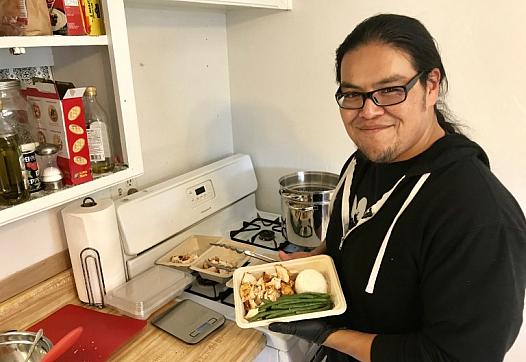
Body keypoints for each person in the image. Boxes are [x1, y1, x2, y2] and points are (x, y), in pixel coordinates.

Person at [268, 13, 526, 362]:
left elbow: (455, 356)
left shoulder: (478, 214)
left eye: (389, 90)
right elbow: (354, 234)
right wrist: (315, 264)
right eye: (352, 94)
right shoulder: (362, 163)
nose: (368, 112)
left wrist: (332, 335)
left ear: (431, 85)